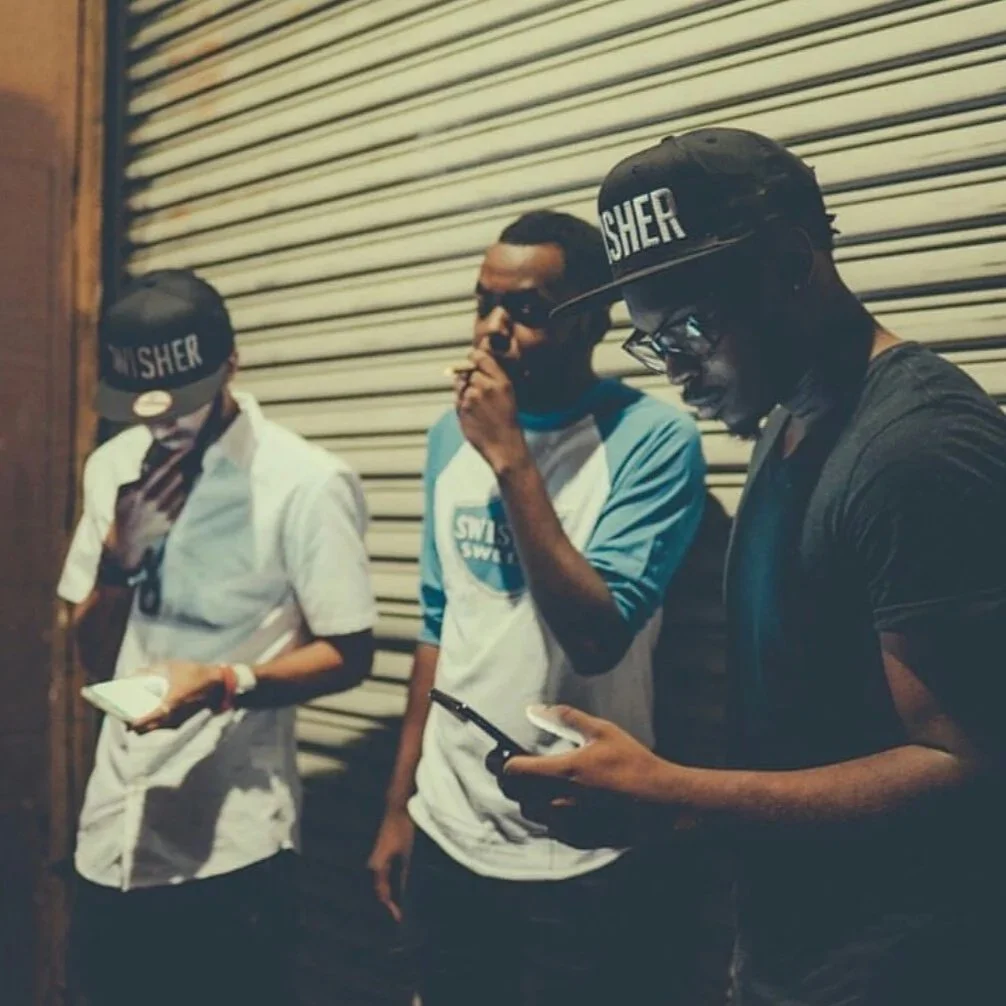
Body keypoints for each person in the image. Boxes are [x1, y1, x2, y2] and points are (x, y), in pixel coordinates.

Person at [504, 128, 1006, 1005]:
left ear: (788, 264)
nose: (679, 372)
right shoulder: (788, 415)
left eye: (693, 326)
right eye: (655, 342)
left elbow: (966, 765)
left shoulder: (916, 449)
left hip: (905, 967)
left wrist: (676, 797)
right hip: (796, 951)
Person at [366, 210, 707, 1005]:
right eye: (482, 301)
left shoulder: (653, 439)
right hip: (450, 824)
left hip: (582, 842)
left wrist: (512, 455)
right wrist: (399, 808)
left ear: (593, 318)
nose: (491, 330)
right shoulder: (449, 437)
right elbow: (438, 625)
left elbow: (596, 637)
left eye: (524, 310)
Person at [60, 269, 376, 1006]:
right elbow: (93, 654)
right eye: (142, 404)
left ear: (231, 362)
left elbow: (350, 653)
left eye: (182, 400)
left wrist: (228, 683)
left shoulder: (304, 482)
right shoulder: (112, 467)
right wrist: (119, 558)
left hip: (231, 846)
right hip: (112, 831)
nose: (162, 422)